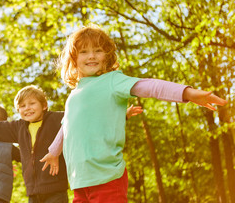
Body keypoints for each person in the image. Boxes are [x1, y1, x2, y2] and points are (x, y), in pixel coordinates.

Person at [41, 25, 228, 203]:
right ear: (74, 59)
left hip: (107, 177)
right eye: (84, 52)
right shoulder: (74, 94)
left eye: (97, 50)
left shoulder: (112, 80)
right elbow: (68, 125)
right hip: (79, 181)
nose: (91, 56)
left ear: (107, 56)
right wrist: (53, 152)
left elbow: (150, 86)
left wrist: (187, 93)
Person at [0, 86, 143, 203]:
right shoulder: (17, 128)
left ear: (43, 105)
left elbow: (85, 120)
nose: (27, 109)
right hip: (33, 193)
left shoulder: (58, 119)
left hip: (55, 189)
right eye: (22, 106)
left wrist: (121, 115)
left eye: (32, 104)